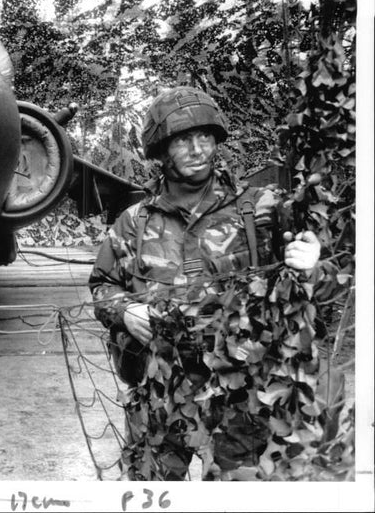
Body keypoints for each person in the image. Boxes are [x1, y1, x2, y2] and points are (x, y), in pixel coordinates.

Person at [88, 86, 342, 480]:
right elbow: (103, 286)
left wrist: (311, 268)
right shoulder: (134, 222)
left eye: (204, 137)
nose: (197, 149)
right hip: (160, 398)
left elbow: (320, 291)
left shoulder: (261, 209)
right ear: (161, 150)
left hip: (240, 404)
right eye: (183, 139)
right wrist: (125, 311)